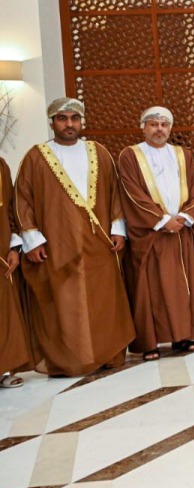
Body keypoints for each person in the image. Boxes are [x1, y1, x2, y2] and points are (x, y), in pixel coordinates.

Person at [16, 98, 134, 376]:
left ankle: (108, 354)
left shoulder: (99, 152)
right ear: (52, 122)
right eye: (62, 118)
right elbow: (22, 201)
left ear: (82, 121)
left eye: (74, 118)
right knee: (66, 302)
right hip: (58, 244)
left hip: (100, 243)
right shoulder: (36, 156)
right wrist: (32, 239)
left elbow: (114, 193)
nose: (69, 124)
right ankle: (72, 359)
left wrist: (118, 229)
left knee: (103, 299)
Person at [117, 106, 194, 359]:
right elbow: (132, 193)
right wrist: (162, 220)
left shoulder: (183, 154)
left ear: (170, 128)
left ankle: (185, 336)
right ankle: (151, 342)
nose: (159, 129)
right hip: (151, 234)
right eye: (154, 124)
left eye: (164, 124)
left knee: (186, 286)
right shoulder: (130, 155)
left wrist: (185, 217)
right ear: (143, 127)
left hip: (181, 232)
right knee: (152, 290)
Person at [1, 157, 31, 389]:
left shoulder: (1, 166)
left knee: (4, 313)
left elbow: (10, 210)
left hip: (2, 254)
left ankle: (3, 369)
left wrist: (14, 246)